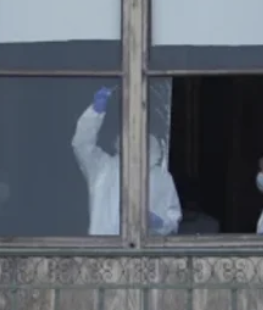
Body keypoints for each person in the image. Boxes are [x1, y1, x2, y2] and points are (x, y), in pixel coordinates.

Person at [72, 86, 182, 237]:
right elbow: (82, 143)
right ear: (119, 139)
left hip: (144, 255)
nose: (135, 140)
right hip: (102, 252)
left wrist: (159, 223)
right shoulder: (102, 167)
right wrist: (95, 113)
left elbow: (173, 221)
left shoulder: (162, 177)